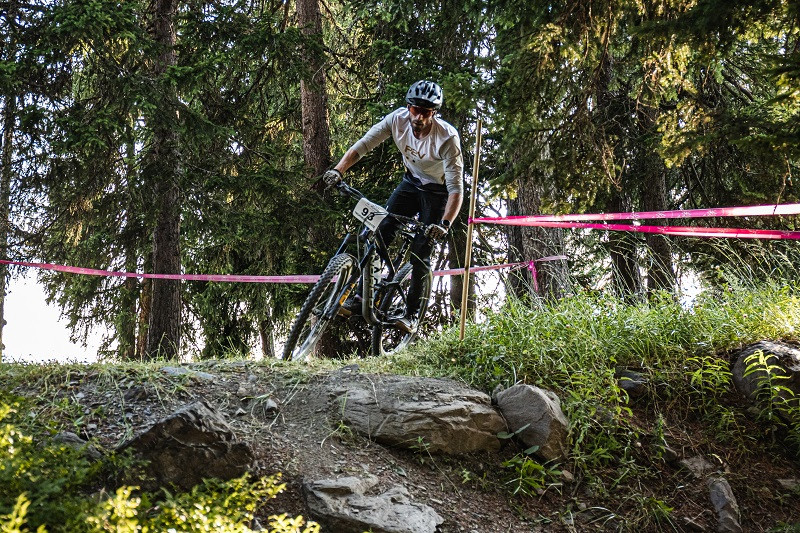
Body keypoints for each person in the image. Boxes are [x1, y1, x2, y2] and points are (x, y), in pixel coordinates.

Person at [322, 80, 464, 333]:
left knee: (421, 251)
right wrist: (338, 170)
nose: (419, 116)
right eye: (415, 109)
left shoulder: (447, 138)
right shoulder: (396, 120)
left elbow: (456, 189)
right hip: (410, 183)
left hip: (437, 192)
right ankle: (363, 298)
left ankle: (411, 315)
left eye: (426, 111)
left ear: (434, 113)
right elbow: (363, 145)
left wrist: (444, 224)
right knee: (381, 230)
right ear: (407, 106)